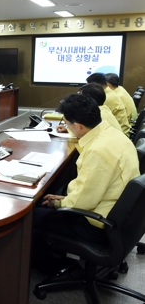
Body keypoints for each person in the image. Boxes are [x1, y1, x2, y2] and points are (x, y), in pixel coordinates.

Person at [32, 94, 139, 272]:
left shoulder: (98, 152)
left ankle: (53, 265)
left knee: (33, 214)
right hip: (120, 215)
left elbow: (84, 202)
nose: (66, 126)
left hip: (98, 225)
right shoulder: (111, 133)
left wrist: (58, 202)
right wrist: (66, 197)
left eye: (67, 123)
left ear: (79, 126)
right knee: (59, 190)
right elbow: (88, 190)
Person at [56, 83, 121, 134]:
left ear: (88, 99)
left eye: (81, 96)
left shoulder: (96, 114)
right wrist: (69, 129)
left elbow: (84, 132)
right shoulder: (104, 109)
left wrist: (70, 128)